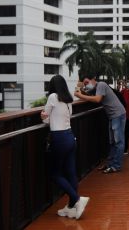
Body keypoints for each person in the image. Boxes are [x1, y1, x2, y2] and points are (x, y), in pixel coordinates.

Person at [41, 75, 89, 219]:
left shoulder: (52, 97)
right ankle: (71, 207)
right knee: (70, 172)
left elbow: (46, 117)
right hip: (70, 137)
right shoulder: (68, 99)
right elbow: (58, 118)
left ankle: (77, 199)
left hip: (59, 138)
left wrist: (42, 116)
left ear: (52, 86)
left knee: (55, 174)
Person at [74, 74, 126, 174]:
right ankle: (110, 164)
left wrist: (80, 94)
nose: (87, 85)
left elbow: (97, 99)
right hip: (113, 115)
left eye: (87, 82)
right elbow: (83, 95)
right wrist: (79, 87)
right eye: (85, 83)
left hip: (118, 114)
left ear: (93, 79)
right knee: (112, 142)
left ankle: (116, 165)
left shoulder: (101, 84)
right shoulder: (95, 88)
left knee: (118, 142)